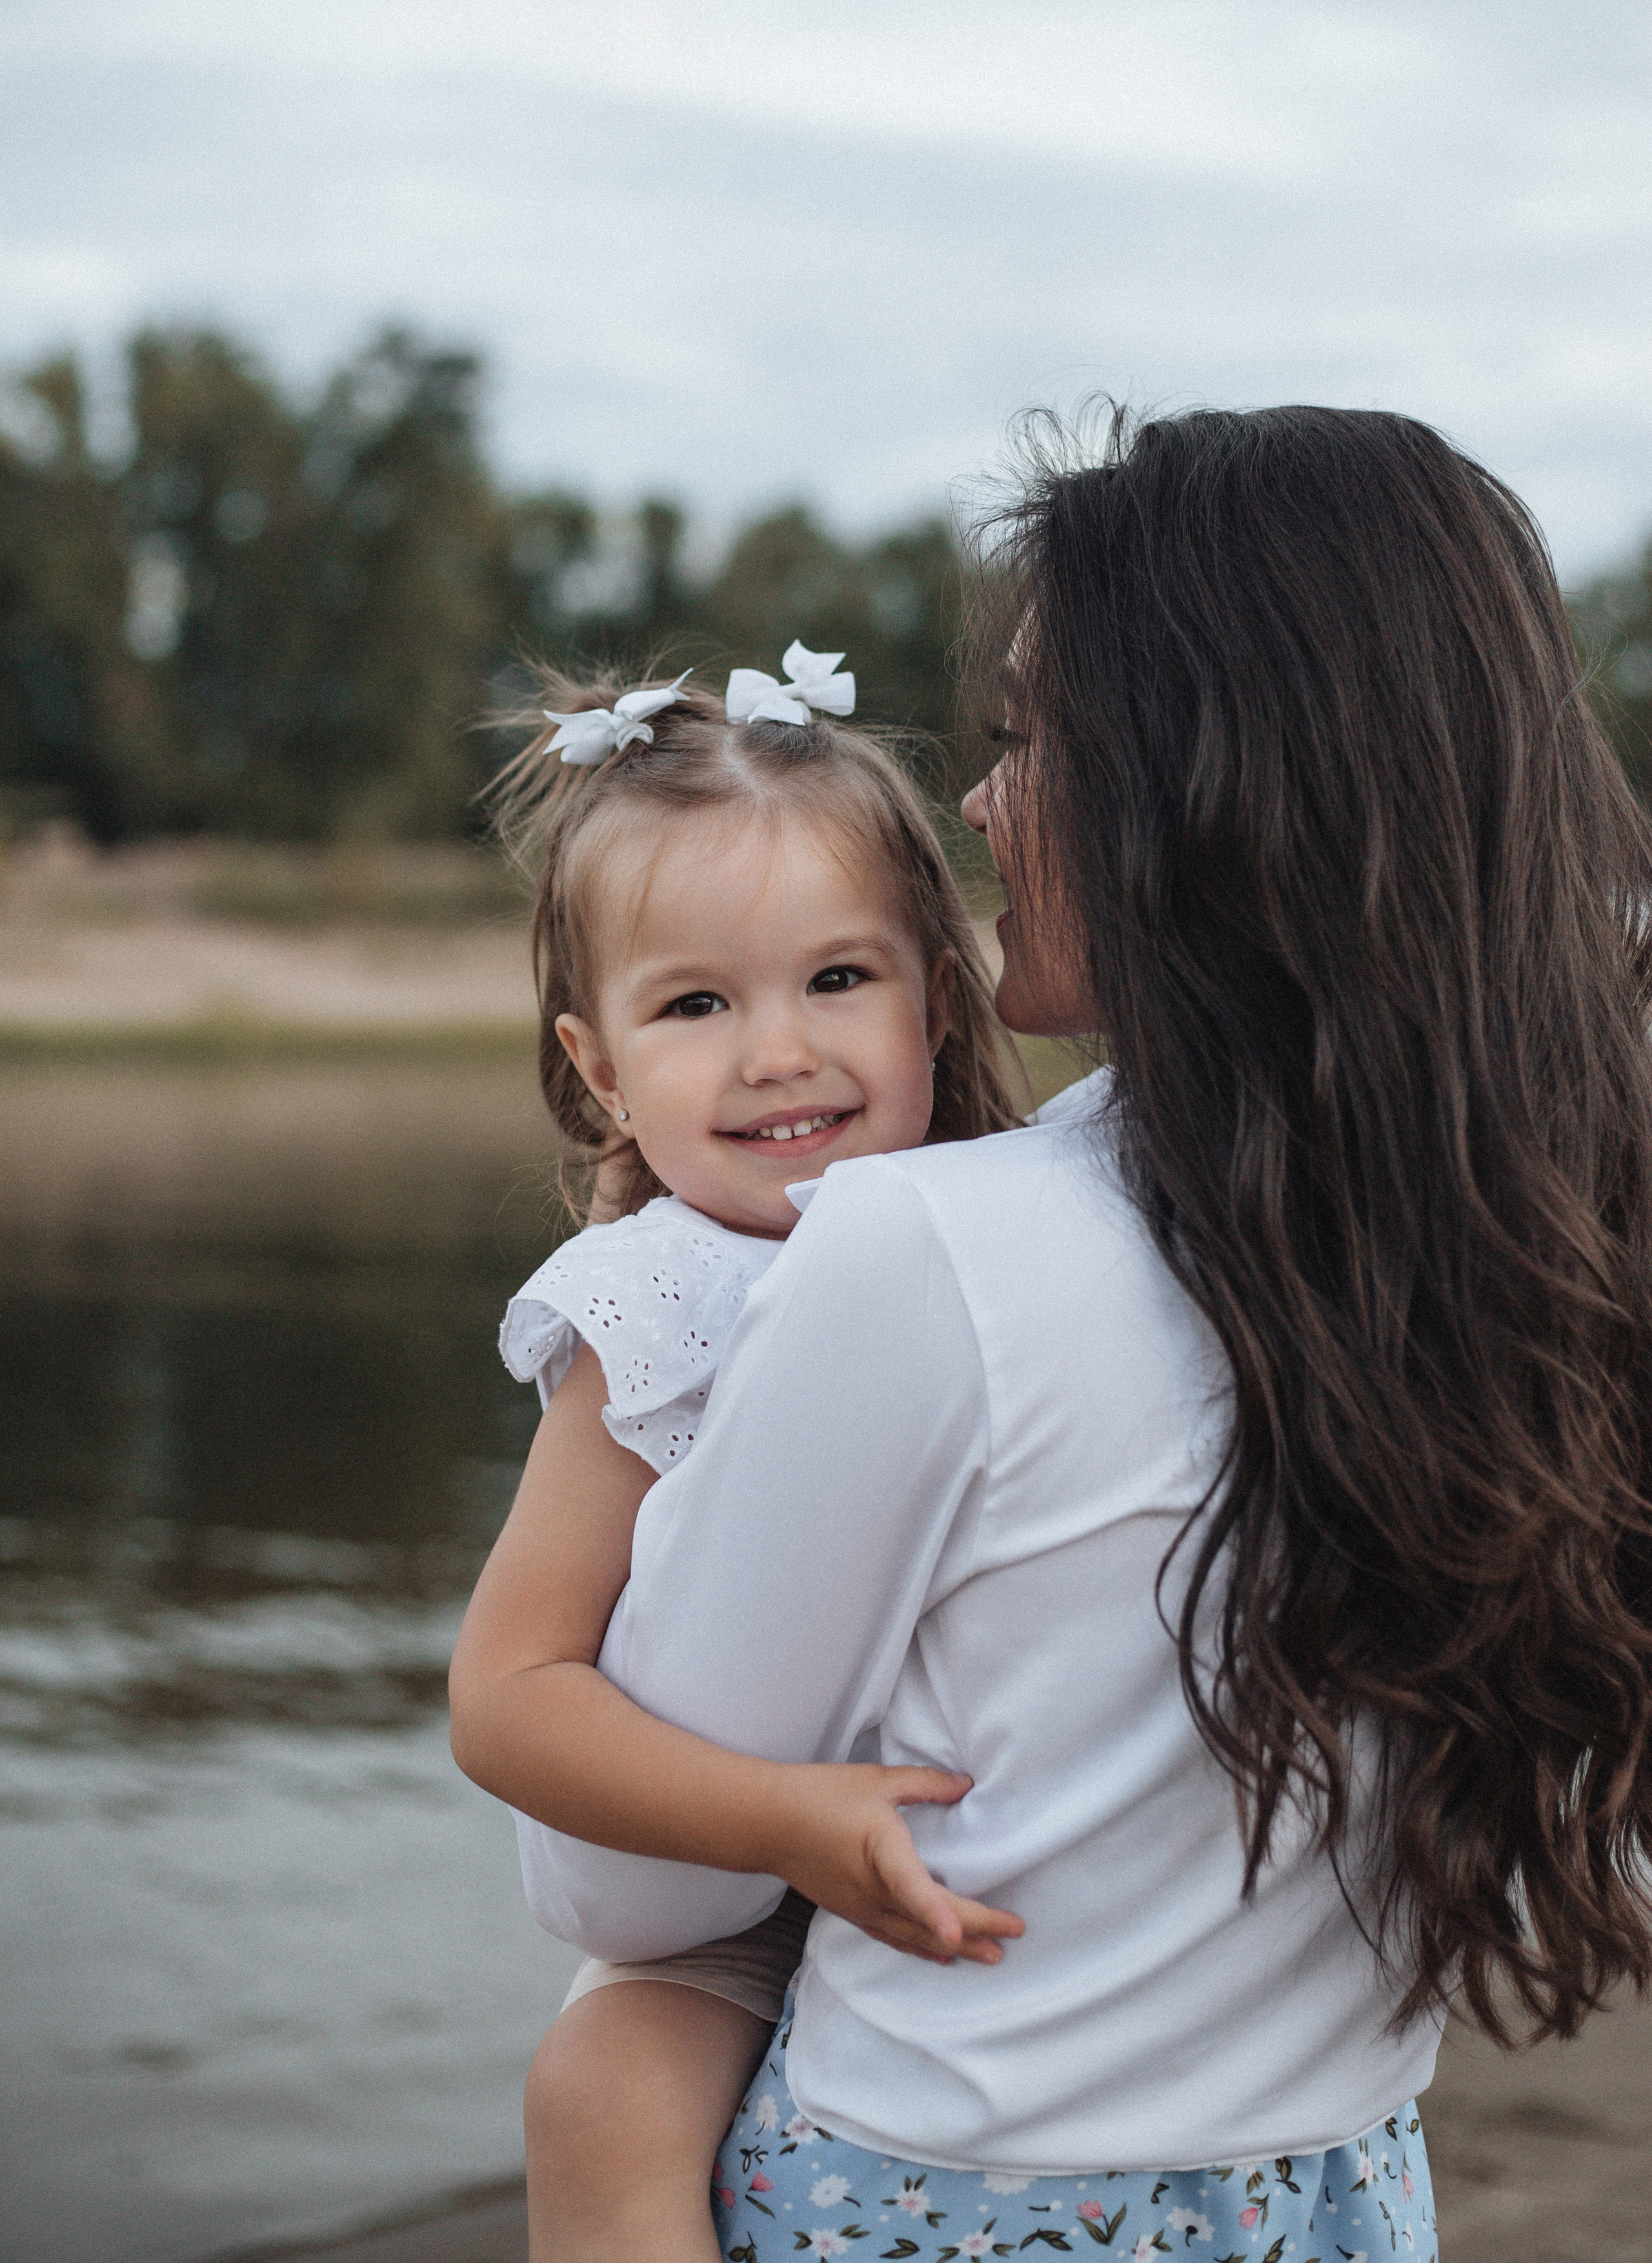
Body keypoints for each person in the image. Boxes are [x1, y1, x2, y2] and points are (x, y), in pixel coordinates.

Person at [454, 407, 1652, 2263]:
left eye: (1026, 741)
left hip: (943, 2193)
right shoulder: (1537, 1253)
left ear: (1210, 780)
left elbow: (623, 1884)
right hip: (1333, 2188)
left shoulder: (930, 1252)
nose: (984, 810)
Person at [450, 655, 1026, 2263]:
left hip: (963, 1845)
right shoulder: (655, 1298)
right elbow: (507, 1694)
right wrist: (771, 1821)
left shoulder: (1010, 1227)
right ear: (599, 1066)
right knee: (601, 2094)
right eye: (697, 1004)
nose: (777, 1051)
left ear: (934, 985)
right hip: (716, 1886)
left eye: (837, 978)